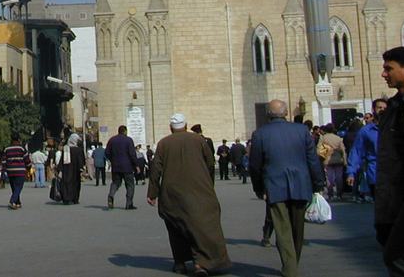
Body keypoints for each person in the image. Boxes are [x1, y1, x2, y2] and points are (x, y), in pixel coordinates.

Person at [148, 113, 231, 276]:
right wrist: (208, 185)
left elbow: (155, 170)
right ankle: (201, 263)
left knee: (176, 227)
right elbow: (210, 163)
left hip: (171, 193)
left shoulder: (163, 143)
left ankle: (180, 263)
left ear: (171, 128)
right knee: (200, 226)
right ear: (186, 126)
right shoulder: (199, 140)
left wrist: (153, 193)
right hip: (199, 190)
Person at [249, 99, 324, 277]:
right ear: (286, 112)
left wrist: (258, 187)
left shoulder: (260, 134)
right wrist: (318, 182)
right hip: (301, 184)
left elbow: (255, 165)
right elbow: (312, 159)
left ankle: (290, 267)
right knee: (298, 228)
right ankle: (293, 262)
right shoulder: (301, 130)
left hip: (275, 186)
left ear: (268, 114)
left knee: (282, 229)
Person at [375, 47, 404, 274]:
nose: (384, 74)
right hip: (393, 196)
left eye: (389, 69)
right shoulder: (394, 106)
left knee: (394, 257)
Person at [347, 99, 387, 202]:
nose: (382, 110)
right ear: (373, 110)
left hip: (394, 174)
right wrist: (351, 172)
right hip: (375, 174)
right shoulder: (366, 131)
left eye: (385, 108)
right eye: (379, 108)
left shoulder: (394, 128)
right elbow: (356, 151)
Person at [106, 125, 138, 210]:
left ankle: (111, 195)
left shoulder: (112, 140)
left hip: (116, 167)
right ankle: (129, 204)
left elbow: (107, 153)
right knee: (130, 185)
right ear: (125, 131)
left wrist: (112, 160)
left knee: (115, 183)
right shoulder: (128, 140)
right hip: (127, 167)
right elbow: (132, 154)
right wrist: (136, 165)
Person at [317, 124, 346, 201]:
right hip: (338, 158)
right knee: (339, 177)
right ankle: (339, 194)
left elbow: (319, 150)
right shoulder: (338, 138)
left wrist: (321, 158)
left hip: (327, 159)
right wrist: (345, 160)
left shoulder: (323, 138)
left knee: (329, 178)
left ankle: (331, 194)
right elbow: (343, 150)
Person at [2, 133, 31, 210]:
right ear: (18, 139)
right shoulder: (21, 148)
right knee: (18, 187)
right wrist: (28, 167)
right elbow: (27, 160)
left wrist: (4, 170)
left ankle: (18, 202)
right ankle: (12, 201)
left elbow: (4, 161)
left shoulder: (7, 149)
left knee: (14, 187)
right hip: (20, 171)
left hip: (10, 171)